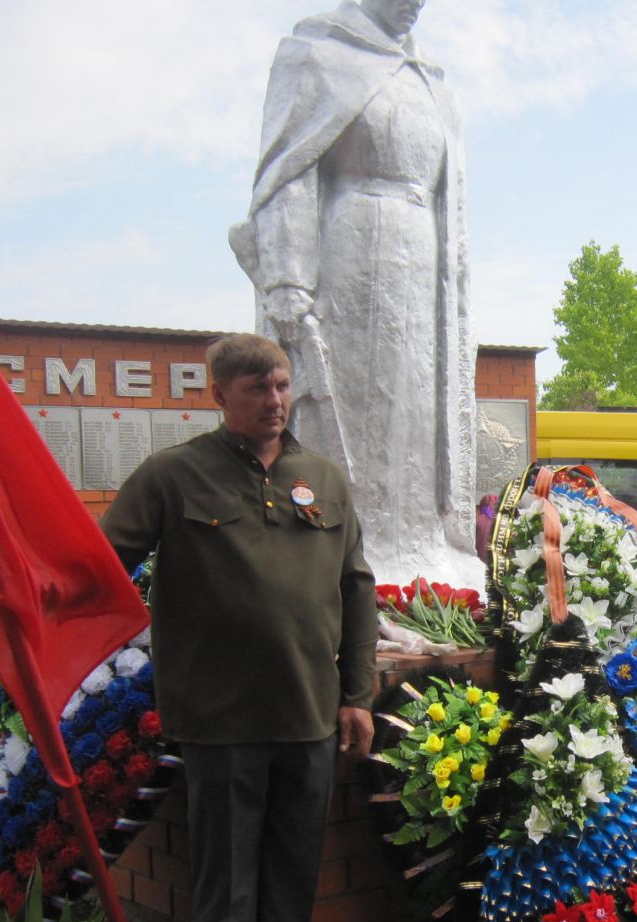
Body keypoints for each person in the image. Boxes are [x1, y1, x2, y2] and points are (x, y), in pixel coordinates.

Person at [102, 334, 377, 922]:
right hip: (220, 721)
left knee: (291, 877)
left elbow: (358, 588)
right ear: (218, 394)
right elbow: (98, 563)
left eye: (282, 385)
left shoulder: (322, 479)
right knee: (226, 888)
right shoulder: (172, 475)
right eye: (257, 388)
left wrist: (356, 694)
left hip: (309, 716)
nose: (275, 400)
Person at [230, 0, 477, 585]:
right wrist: (289, 279)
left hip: (427, 264)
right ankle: (342, 551)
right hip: (354, 253)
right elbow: (288, 174)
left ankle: (420, 546)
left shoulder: (431, 79)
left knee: (416, 412)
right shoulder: (318, 53)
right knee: (355, 407)